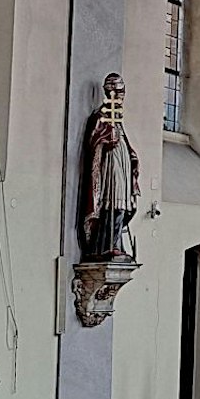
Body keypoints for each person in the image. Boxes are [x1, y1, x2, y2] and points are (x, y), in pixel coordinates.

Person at [80, 73, 140, 261]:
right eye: (118, 92)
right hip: (109, 168)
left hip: (121, 164)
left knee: (123, 205)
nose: (121, 96)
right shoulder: (100, 117)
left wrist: (131, 156)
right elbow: (92, 142)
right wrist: (106, 141)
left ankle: (116, 245)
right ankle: (105, 246)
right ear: (110, 93)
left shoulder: (117, 119)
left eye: (123, 92)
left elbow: (125, 141)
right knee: (113, 204)